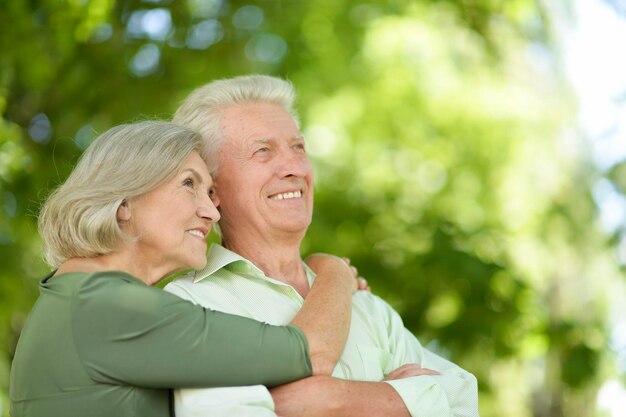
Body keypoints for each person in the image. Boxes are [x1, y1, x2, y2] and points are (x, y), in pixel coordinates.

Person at [165, 75, 480, 417]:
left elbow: (461, 397)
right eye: (263, 151)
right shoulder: (189, 308)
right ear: (212, 190)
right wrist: (399, 398)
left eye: (298, 147)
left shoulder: (369, 309)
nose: (295, 167)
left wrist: (330, 399)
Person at [9, 120, 359, 417]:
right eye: (189, 184)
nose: (212, 212)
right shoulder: (107, 306)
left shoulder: (78, 297)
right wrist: (334, 271)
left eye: (210, 193)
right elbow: (309, 351)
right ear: (124, 202)